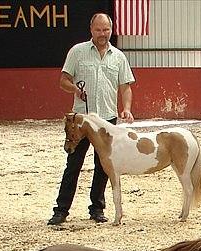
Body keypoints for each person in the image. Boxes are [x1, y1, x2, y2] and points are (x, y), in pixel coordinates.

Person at [47, 12, 135, 225]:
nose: (102, 34)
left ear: (111, 30)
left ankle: (97, 208)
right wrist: (75, 89)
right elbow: (63, 80)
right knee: (73, 164)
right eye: (98, 30)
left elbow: (125, 87)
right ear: (91, 30)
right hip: (82, 120)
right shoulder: (77, 52)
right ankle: (61, 210)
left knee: (103, 166)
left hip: (107, 121)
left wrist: (127, 108)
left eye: (106, 30)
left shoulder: (119, 57)